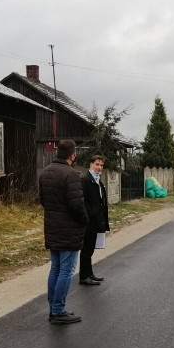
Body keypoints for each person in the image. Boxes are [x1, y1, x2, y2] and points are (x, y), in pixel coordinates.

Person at [39, 139, 89, 324]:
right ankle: (58, 311)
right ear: (72, 155)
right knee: (66, 270)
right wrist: (85, 220)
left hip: (52, 227)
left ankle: (53, 308)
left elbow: (43, 200)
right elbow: (77, 204)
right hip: (69, 229)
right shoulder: (71, 174)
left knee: (55, 269)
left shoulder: (45, 172)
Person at [79, 154, 111, 286]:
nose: (99, 167)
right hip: (89, 222)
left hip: (96, 221)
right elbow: (83, 200)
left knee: (91, 248)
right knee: (86, 249)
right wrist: (91, 214)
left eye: (101, 165)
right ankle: (83, 277)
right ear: (91, 164)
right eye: (97, 164)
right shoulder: (85, 180)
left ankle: (89, 273)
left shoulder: (98, 180)